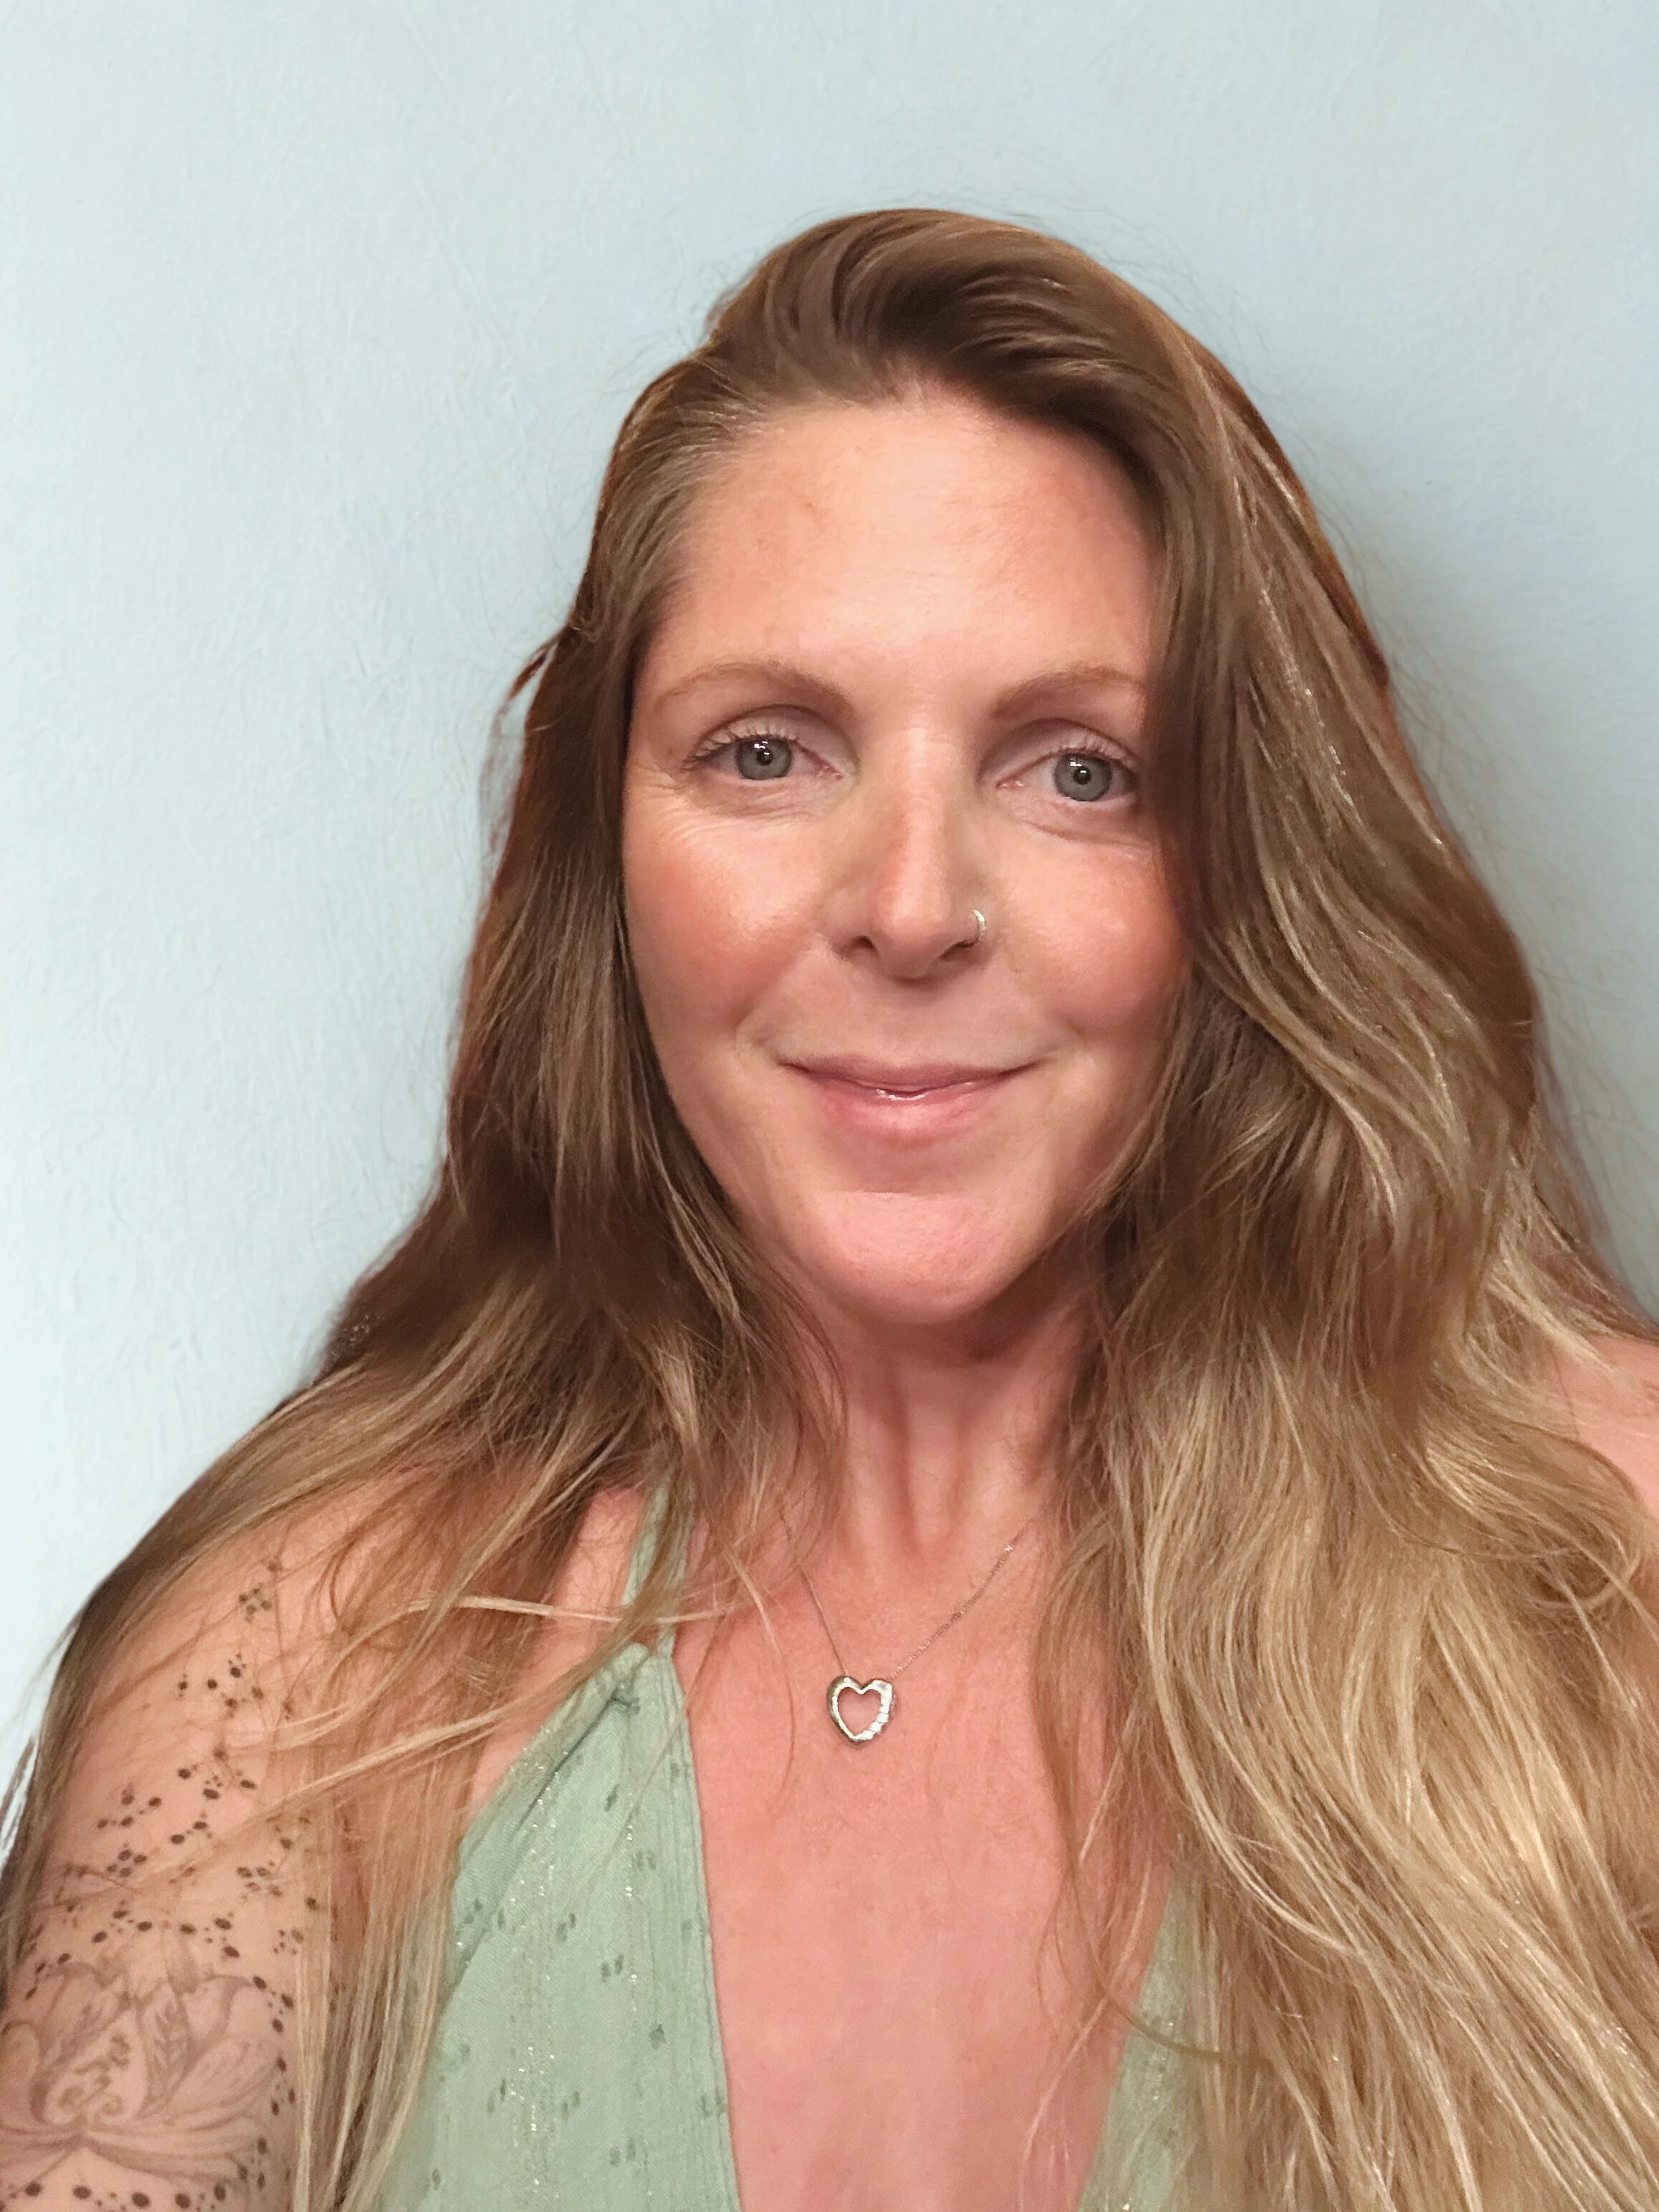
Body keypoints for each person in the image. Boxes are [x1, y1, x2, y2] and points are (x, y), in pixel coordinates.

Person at [1, 208, 1657, 2212]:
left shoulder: (1605, 1586)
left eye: (1076, 771)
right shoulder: (286, 1686)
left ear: (1244, 867)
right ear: (600, 855)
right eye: (766, 751)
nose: (905, 905)